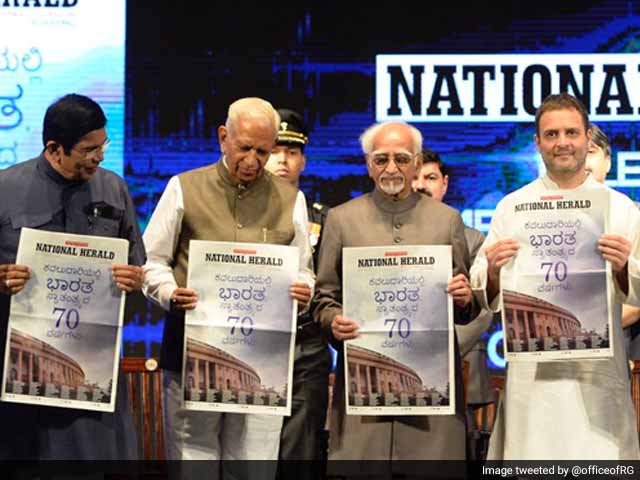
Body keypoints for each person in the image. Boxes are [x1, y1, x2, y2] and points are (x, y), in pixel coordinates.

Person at [142, 98, 314, 472]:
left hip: (264, 361)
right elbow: (152, 262)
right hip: (190, 353)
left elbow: (304, 271)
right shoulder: (183, 188)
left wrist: (304, 289)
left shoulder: (292, 199)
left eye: (263, 151)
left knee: (254, 467)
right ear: (224, 137)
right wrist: (171, 293)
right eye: (245, 148)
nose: (253, 160)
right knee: (193, 465)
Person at [471, 93, 640, 459]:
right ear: (537, 142)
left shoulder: (620, 208)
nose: (562, 142)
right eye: (551, 134)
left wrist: (625, 267)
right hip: (533, 381)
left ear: (586, 137)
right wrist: (496, 271)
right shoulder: (513, 207)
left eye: (571, 132)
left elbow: (638, 293)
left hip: (597, 378)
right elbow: (482, 283)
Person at [312, 121, 474, 470]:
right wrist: (332, 321)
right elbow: (323, 297)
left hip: (433, 401)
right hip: (362, 394)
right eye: (381, 159)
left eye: (401, 159)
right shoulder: (341, 219)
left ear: (417, 164)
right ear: (368, 164)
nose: (391, 168)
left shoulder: (447, 220)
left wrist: (464, 298)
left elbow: (465, 305)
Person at [0, 93, 145, 459]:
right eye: (88, 149)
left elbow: (138, 266)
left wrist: (133, 280)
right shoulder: (5, 189)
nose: (100, 156)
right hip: (18, 375)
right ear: (54, 148)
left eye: (103, 145)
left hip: (94, 367)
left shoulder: (114, 188)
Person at [412, 149, 496, 459]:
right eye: (416, 177)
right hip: (401, 371)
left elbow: (483, 307)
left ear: (444, 184)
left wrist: (437, 351)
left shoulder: (473, 239)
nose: (422, 185)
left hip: (462, 373)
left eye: (430, 177)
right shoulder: (387, 240)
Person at [264, 110, 331, 469]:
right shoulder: (241, 214)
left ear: (303, 160)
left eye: (291, 152)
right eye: (274, 150)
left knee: (299, 456)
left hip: (306, 346)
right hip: (252, 341)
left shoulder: (323, 218)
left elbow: (332, 286)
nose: (282, 160)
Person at [586, 124, 640, 360]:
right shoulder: (539, 218)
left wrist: (590, 331)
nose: (583, 161)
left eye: (591, 151)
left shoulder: (629, 213)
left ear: (608, 161)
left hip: (622, 347)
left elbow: (636, 299)